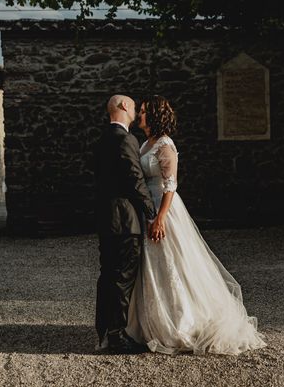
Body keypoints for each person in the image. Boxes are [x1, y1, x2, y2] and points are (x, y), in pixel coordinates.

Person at [126, 95, 266, 355]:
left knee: (174, 263)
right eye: (141, 111)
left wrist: (160, 218)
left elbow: (170, 185)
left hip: (164, 208)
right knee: (152, 265)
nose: (140, 115)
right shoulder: (146, 143)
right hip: (147, 206)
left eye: (144, 112)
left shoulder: (165, 145)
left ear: (155, 116)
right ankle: (152, 320)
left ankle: (181, 321)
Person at [94, 94, 157, 354]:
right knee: (122, 278)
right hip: (125, 221)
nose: (135, 111)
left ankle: (105, 331)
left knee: (108, 276)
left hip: (107, 220)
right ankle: (117, 337)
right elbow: (134, 179)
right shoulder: (125, 139)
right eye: (133, 106)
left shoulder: (101, 139)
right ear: (123, 106)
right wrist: (152, 212)